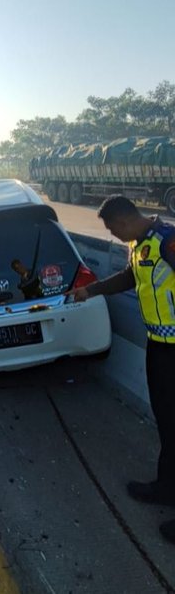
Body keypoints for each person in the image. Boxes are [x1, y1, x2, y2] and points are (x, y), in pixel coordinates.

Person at [71, 195, 175, 544]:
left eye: (113, 228)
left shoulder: (167, 242)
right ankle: (166, 487)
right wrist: (92, 291)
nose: (114, 235)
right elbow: (130, 278)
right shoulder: (141, 245)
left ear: (125, 220)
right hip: (160, 346)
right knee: (167, 422)